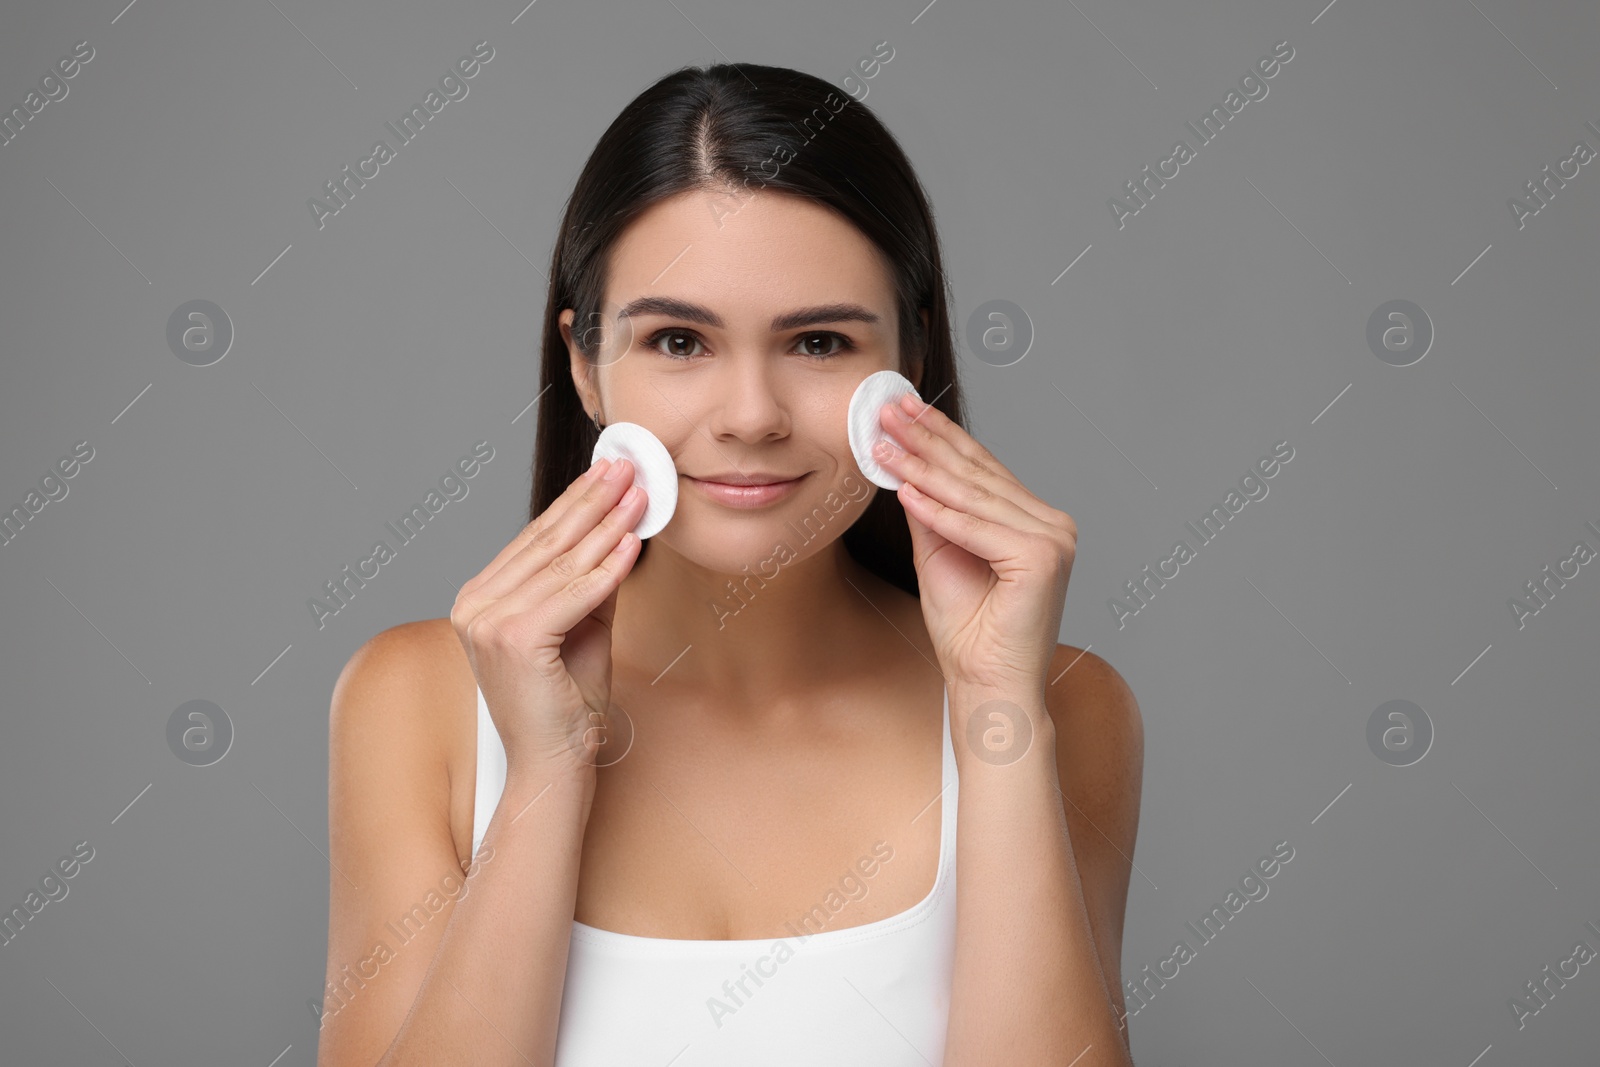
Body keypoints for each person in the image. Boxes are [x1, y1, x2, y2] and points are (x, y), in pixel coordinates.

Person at [318, 61, 1143, 1067]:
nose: (750, 415)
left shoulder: (1066, 704)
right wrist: (544, 774)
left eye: (819, 342)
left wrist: (992, 709)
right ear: (585, 365)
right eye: (677, 340)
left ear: (912, 358)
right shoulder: (415, 703)